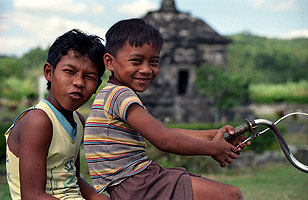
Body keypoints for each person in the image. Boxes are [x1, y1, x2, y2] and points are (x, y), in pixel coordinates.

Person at [84, 18, 250, 200]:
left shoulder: (113, 94)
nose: (146, 69)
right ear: (109, 62)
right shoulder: (121, 95)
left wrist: (213, 135)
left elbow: (166, 131)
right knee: (231, 195)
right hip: (137, 184)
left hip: (138, 182)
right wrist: (212, 149)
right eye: (136, 61)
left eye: (154, 62)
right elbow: (164, 140)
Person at [5, 29, 110, 200]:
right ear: (49, 72)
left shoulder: (78, 121)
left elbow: (72, 177)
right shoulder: (38, 121)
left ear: (97, 86)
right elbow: (32, 196)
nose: (78, 82)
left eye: (89, 76)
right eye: (69, 71)